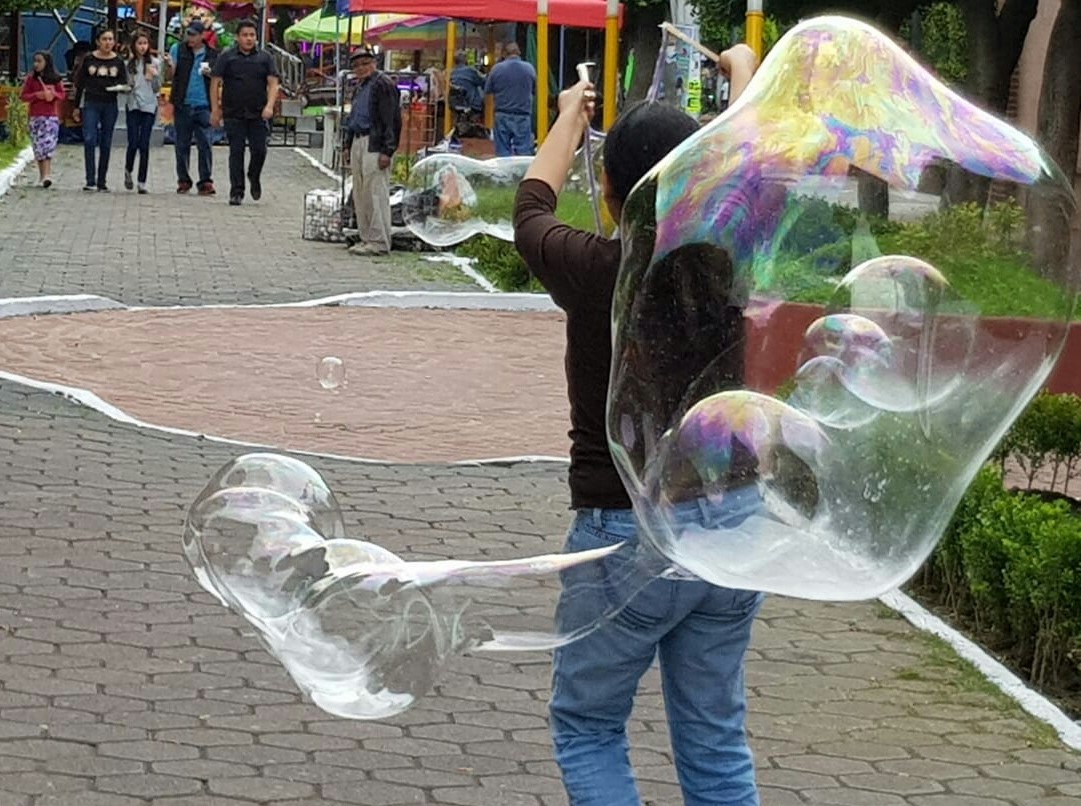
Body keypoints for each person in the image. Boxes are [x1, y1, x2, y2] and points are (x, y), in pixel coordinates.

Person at [512, 45, 761, 806]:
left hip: (622, 530)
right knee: (714, 732)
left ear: (612, 187)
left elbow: (529, 206)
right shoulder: (730, 258)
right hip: (732, 521)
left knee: (587, 724)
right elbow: (750, 162)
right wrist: (745, 74)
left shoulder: (593, 270)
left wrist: (565, 119)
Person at [210, 19, 280, 206]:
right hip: (233, 112)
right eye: (245, 35)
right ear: (237, 37)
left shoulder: (265, 58)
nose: (249, 39)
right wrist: (216, 109)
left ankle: (254, 175)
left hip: (258, 112)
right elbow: (215, 82)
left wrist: (270, 106)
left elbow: (273, 83)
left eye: (252, 35)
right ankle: (236, 191)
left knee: (260, 150)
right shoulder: (227, 57)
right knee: (236, 152)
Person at [342, 47, 401, 256]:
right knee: (361, 192)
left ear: (374, 63)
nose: (361, 68)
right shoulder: (360, 86)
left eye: (365, 63)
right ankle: (366, 236)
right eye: (357, 65)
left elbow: (391, 120)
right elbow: (353, 118)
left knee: (375, 192)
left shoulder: (383, 85)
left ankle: (379, 240)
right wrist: (347, 145)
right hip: (359, 139)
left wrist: (388, 150)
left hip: (374, 142)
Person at [165, 19, 218, 195]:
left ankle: (205, 181)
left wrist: (212, 74)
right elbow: (170, 76)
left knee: (205, 144)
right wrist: (170, 66)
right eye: (188, 34)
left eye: (194, 34)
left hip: (204, 104)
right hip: (183, 103)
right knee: (181, 144)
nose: (191, 38)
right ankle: (183, 179)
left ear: (203, 35)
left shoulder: (212, 54)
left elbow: (219, 79)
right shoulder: (178, 50)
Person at [72, 29, 128, 192]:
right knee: (89, 138)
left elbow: (123, 81)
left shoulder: (118, 61)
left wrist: (121, 87)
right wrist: (76, 106)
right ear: (97, 41)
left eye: (110, 39)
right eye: (104, 39)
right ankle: (90, 179)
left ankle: (102, 180)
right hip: (91, 102)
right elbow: (80, 83)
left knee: (106, 141)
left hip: (110, 103)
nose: (108, 43)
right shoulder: (89, 59)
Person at [122, 29, 162, 194]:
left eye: (145, 43)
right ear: (134, 45)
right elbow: (125, 86)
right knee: (133, 142)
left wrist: (154, 77)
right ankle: (128, 169)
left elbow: (158, 87)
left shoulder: (155, 62)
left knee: (144, 144)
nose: (142, 47)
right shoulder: (128, 64)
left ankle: (142, 181)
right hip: (133, 104)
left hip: (149, 105)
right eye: (139, 43)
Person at [20, 50, 66, 188]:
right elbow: (23, 96)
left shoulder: (55, 79)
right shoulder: (31, 79)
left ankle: (47, 175)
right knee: (39, 148)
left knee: (47, 146)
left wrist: (53, 95)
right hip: (35, 117)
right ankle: (42, 176)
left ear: (47, 63)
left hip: (50, 118)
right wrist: (37, 95)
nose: (36, 64)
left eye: (39, 61)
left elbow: (62, 94)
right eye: (35, 61)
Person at [485, 42, 536, 156]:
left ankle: (505, 172)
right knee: (524, 151)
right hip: (523, 115)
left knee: (503, 151)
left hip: (502, 114)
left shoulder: (497, 69)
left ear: (504, 54)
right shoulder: (529, 68)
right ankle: (523, 172)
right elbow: (534, 90)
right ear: (519, 52)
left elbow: (488, 90)